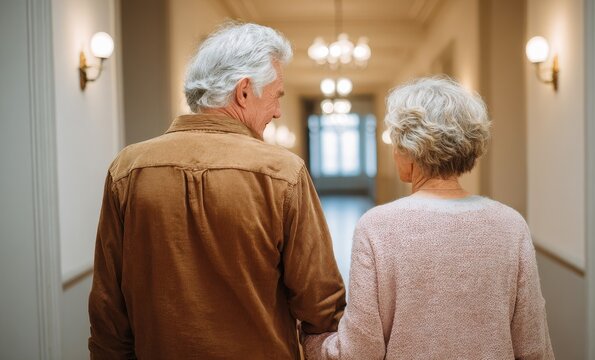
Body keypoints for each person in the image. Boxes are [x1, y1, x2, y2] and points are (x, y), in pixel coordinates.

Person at [88, 22, 346, 359]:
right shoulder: (283, 173)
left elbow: (108, 310)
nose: (278, 111)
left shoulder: (128, 169)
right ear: (243, 91)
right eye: (276, 95)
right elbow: (320, 306)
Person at [303, 77, 554, 359]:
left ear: (410, 149)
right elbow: (533, 347)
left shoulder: (378, 227)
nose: (394, 150)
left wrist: (312, 342)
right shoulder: (511, 225)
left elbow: (360, 352)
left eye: (396, 141)